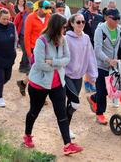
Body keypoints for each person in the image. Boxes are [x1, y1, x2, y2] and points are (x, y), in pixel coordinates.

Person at [23, 13, 83, 155]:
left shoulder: (63, 40)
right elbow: (38, 64)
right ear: (56, 27)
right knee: (34, 112)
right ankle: (27, 136)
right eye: (63, 27)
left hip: (57, 84)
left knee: (61, 114)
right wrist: (58, 65)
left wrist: (54, 62)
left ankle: (68, 145)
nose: (65, 30)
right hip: (39, 84)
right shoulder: (41, 41)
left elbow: (67, 59)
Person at [87, 8, 121, 125]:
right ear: (107, 18)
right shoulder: (100, 30)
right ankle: (100, 114)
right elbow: (97, 50)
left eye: (118, 18)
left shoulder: (120, 29)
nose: (117, 21)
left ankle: (93, 98)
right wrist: (108, 60)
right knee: (102, 90)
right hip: (101, 65)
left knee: (110, 90)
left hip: (114, 66)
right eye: (114, 18)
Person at [65, 13, 98, 138]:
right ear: (72, 24)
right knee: (75, 103)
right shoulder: (66, 38)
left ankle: (65, 126)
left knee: (71, 103)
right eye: (78, 22)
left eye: (83, 22)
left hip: (78, 76)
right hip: (66, 75)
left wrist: (92, 75)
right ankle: (63, 124)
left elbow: (90, 56)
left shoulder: (86, 38)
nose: (81, 24)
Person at [16, 0, 51, 96]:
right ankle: (40, 94)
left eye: (48, 10)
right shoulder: (30, 18)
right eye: (45, 9)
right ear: (39, 8)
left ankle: (23, 83)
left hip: (46, 49)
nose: (47, 12)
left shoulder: (49, 16)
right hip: (33, 49)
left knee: (37, 70)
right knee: (39, 71)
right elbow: (26, 36)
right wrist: (28, 53)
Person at [0, 8, 17, 107]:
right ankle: (0, 98)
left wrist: (14, 51)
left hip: (9, 57)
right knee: (0, 78)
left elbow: (15, 40)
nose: (6, 21)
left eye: (7, 19)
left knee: (7, 77)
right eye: (4, 19)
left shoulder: (12, 26)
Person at [80, 0, 104, 93]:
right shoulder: (84, 14)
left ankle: (90, 82)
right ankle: (87, 82)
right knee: (87, 62)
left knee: (94, 63)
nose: (98, 4)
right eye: (96, 2)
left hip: (97, 42)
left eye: (99, 3)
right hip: (86, 41)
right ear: (91, 3)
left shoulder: (101, 15)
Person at [14, 1, 33, 74]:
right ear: (26, 8)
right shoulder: (21, 15)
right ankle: (24, 67)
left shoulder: (33, 15)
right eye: (30, 8)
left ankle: (23, 65)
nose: (31, 10)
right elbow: (15, 24)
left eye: (32, 8)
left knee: (27, 51)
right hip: (22, 36)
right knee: (25, 51)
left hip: (30, 36)